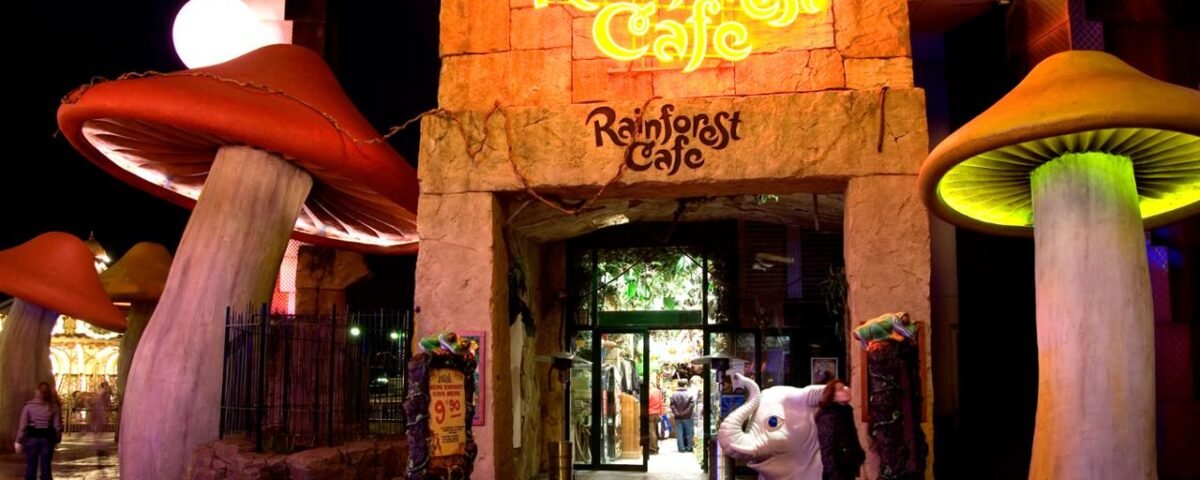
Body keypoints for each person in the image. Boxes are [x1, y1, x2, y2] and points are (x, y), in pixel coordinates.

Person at [815, 379, 865, 480]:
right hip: (837, 474)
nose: (846, 389)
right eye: (841, 389)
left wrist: (858, 455)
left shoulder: (845, 413)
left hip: (847, 469)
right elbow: (827, 451)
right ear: (833, 396)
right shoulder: (828, 416)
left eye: (845, 387)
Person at [16, 382, 63, 480]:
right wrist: (57, 438)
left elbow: (23, 425)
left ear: (37, 391)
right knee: (46, 467)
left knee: (31, 466)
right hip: (47, 438)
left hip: (32, 437)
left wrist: (18, 440)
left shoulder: (28, 407)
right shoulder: (53, 407)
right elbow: (57, 426)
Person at [669, 379, 695, 452]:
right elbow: (691, 405)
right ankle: (689, 447)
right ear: (685, 385)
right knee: (689, 433)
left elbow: (672, 405)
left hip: (678, 417)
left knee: (679, 433)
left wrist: (677, 413)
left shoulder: (674, 394)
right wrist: (685, 413)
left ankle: (681, 448)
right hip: (687, 416)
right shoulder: (689, 393)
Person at [647, 381, 664, 454]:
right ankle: (656, 447)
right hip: (657, 413)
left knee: (651, 431)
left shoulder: (649, 392)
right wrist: (661, 413)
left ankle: (652, 448)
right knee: (656, 431)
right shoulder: (658, 391)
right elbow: (661, 403)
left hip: (650, 413)